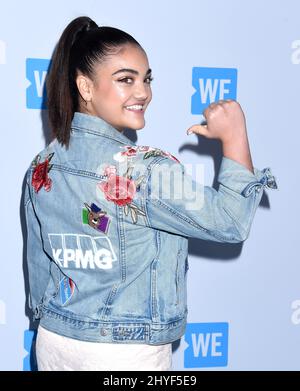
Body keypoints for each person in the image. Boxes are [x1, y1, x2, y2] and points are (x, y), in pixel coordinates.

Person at [23, 16, 278, 371]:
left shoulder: (43, 164)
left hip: (55, 340)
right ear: (85, 87)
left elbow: (40, 266)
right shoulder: (144, 169)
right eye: (126, 79)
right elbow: (230, 222)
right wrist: (235, 136)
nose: (143, 92)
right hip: (123, 353)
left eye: (146, 79)